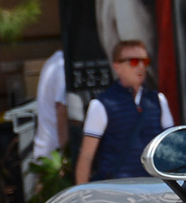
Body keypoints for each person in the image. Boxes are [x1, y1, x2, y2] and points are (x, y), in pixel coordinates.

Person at [74, 40, 173, 184]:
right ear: (117, 67)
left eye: (144, 61)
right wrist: (82, 199)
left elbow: (171, 147)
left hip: (155, 189)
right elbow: (86, 156)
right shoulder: (101, 105)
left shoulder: (158, 100)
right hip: (117, 192)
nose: (140, 66)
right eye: (133, 61)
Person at [32, 49, 66, 162]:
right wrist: (66, 160)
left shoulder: (55, 60)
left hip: (46, 153)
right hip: (55, 157)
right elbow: (63, 114)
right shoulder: (62, 66)